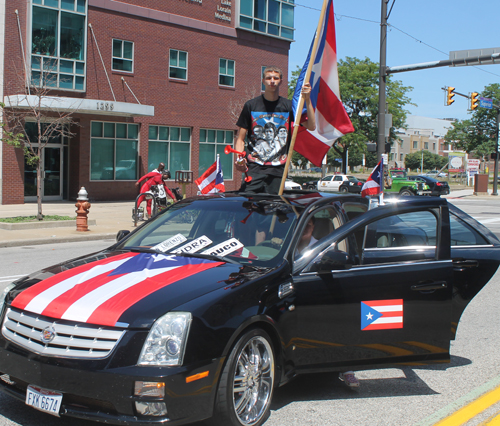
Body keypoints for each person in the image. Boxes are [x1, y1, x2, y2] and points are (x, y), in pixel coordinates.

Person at [235, 66, 316, 194]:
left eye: (275, 78)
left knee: (273, 209)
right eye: (268, 78)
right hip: (254, 169)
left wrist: (307, 99)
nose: (272, 81)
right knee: (248, 206)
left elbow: (311, 125)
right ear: (263, 81)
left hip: (278, 171)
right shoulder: (251, 105)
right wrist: (239, 159)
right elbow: (240, 138)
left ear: (281, 81)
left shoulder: (289, 106)